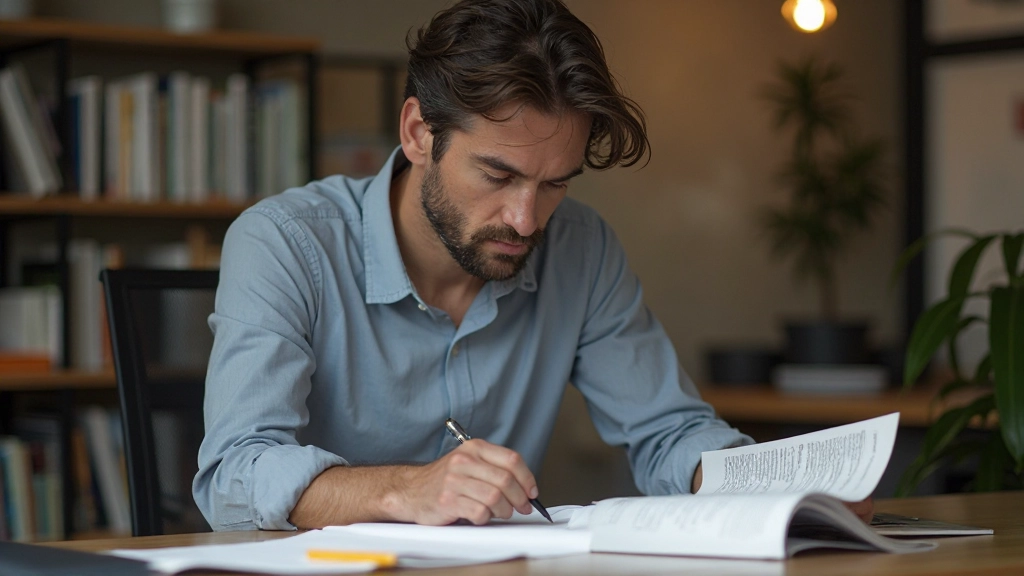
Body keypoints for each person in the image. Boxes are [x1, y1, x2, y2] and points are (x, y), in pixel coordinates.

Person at [193, 0, 870, 531]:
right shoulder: (284, 242)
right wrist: (408, 488)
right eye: (498, 174)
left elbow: (669, 433)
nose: (525, 219)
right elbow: (234, 474)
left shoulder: (581, 247)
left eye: (555, 184)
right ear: (417, 133)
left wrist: (769, 484)